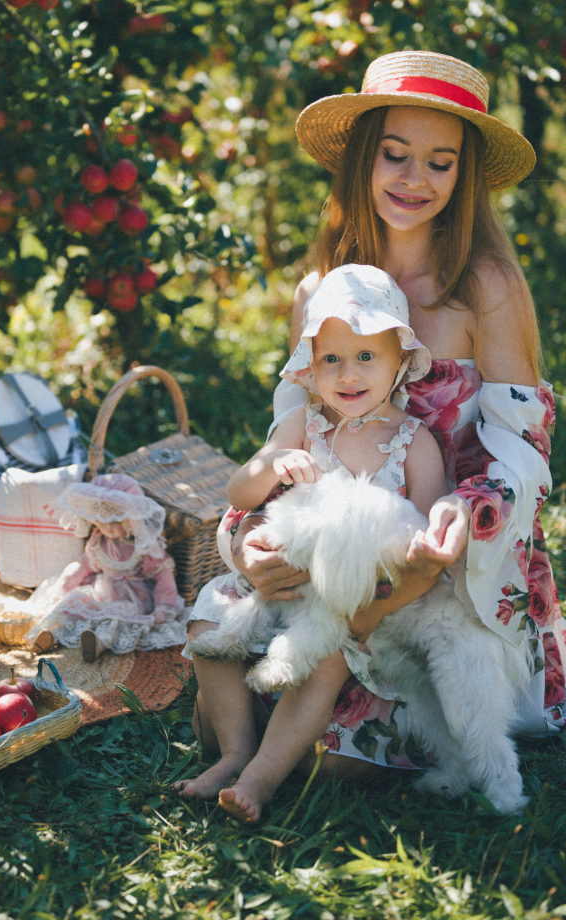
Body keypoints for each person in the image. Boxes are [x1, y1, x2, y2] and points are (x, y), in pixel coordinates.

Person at [183, 50, 566, 819]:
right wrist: (244, 537)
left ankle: (326, 714)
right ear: (362, 160)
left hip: (438, 556)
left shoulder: (484, 286)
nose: (414, 179)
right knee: (229, 667)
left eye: (440, 163)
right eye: (395, 155)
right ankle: (255, 745)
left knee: (336, 760)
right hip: (331, 547)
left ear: (464, 177)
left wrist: (465, 510)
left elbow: (523, 446)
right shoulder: (322, 291)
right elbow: (290, 439)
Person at [177, 264, 449, 822]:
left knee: (324, 661)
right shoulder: (304, 423)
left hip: (344, 599)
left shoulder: (415, 442)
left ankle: (260, 777)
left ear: (400, 358)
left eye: (366, 357)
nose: (348, 375)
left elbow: (422, 541)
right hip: (280, 582)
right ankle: (233, 751)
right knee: (208, 618)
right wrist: (272, 462)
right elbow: (238, 490)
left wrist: (382, 570)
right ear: (311, 366)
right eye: (331, 359)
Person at [25, 473, 188, 661]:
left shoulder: (142, 548)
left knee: (117, 621)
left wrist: (163, 605)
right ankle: (52, 634)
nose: (107, 528)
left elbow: (162, 574)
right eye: (102, 521)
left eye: (115, 522)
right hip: (101, 592)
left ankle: (99, 643)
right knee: (74, 604)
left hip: (133, 599)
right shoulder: (98, 541)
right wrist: (67, 584)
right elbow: (85, 565)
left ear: (131, 520)